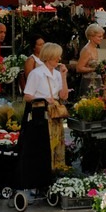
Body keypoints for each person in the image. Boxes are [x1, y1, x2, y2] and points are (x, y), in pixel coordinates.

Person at [23, 43, 69, 172]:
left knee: (57, 142)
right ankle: (43, 171)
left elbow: (64, 96)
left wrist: (64, 76)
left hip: (55, 112)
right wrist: (43, 100)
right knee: (44, 143)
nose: (59, 59)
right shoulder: (36, 74)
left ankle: (56, 169)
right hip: (41, 112)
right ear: (49, 57)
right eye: (56, 57)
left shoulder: (57, 74)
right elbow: (27, 96)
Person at [76, 24, 104, 94]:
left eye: (102, 36)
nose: (101, 38)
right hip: (88, 82)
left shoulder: (94, 48)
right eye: (99, 36)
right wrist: (94, 69)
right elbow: (79, 68)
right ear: (91, 37)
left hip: (95, 81)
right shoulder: (87, 50)